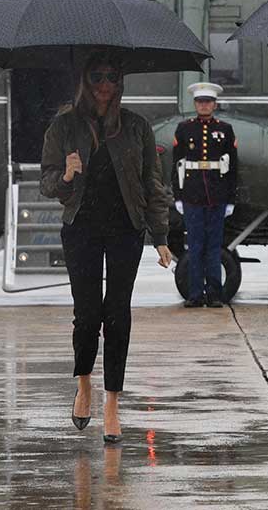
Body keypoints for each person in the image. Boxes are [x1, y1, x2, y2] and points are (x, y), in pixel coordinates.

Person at [39, 54, 173, 444]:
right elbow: (47, 183)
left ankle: (112, 402)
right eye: (96, 76)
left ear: (120, 83)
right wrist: (65, 174)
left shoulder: (135, 127)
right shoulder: (64, 126)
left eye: (111, 77)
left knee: (117, 316)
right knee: (87, 315)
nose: (104, 84)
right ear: (85, 80)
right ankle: (84, 385)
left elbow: (153, 184)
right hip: (81, 228)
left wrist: (161, 237)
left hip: (124, 229)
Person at [172, 82, 239, 308]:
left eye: (208, 102)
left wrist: (231, 199)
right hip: (192, 195)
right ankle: (195, 294)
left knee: (213, 247)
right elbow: (177, 164)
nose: (204, 105)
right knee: (195, 246)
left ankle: (214, 294)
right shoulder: (184, 129)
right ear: (195, 104)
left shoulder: (225, 129)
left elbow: (233, 167)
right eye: (200, 102)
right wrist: (178, 196)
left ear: (214, 104)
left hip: (217, 195)